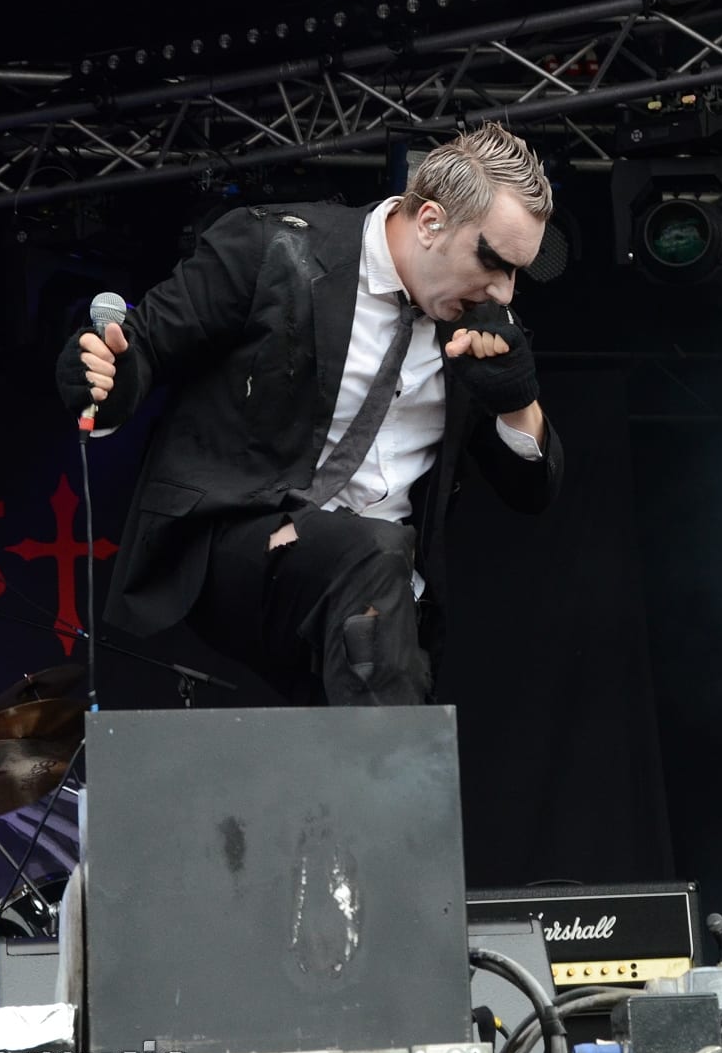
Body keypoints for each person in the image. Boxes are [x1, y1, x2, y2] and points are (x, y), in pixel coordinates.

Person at [57, 122, 563, 709]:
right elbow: (143, 345)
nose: (505, 291)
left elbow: (531, 492)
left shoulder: (480, 322)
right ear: (430, 221)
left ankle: (386, 757)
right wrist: (106, 376)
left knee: (382, 587)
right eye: (493, 262)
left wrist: (517, 400)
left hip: (375, 600)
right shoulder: (272, 247)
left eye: (517, 272)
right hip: (242, 546)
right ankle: (390, 765)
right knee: (375, 554)